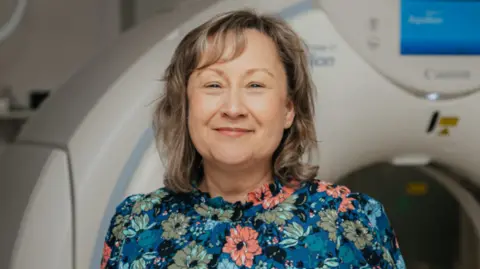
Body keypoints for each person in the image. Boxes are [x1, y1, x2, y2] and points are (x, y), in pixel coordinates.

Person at [101, 9, 406, 269]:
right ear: (186, 105)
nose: (233, 108)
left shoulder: (350, 221)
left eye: (255, 84)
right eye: (213, 85)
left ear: (288, 109)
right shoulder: (136, 224)